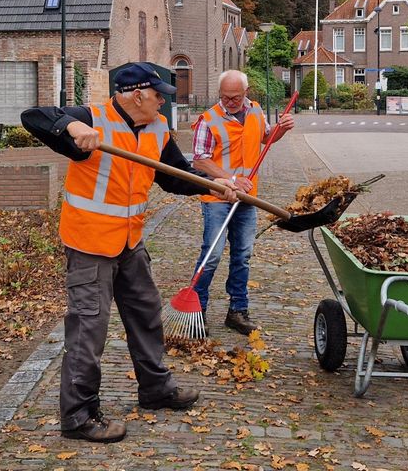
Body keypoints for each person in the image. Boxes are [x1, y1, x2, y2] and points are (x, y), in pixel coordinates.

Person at [21, 63, 240, 444]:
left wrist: (214, 184)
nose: (163, 103)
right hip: (90, 244)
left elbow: (174, 176)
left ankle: (155, 388)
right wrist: (72, 128)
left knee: (146, 314)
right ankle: (78, 416)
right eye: (159, 96)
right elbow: (34, 116)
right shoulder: (92, 120)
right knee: (89, 330)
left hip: (130, 243)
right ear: (137, 95)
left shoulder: (156, 129)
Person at [190, 70, 295, 334]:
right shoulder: (209, 119)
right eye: (225, 97)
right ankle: (197, 310)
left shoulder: (256, 111)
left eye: (235, 97)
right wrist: (231, 179)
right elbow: (200, 160)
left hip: (248, 197)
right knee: (212, 254)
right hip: (217, 196)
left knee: (242, 255)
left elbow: (265, 137)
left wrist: (280, 129)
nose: (230, 102)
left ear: (246, 93)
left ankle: (237, 311)